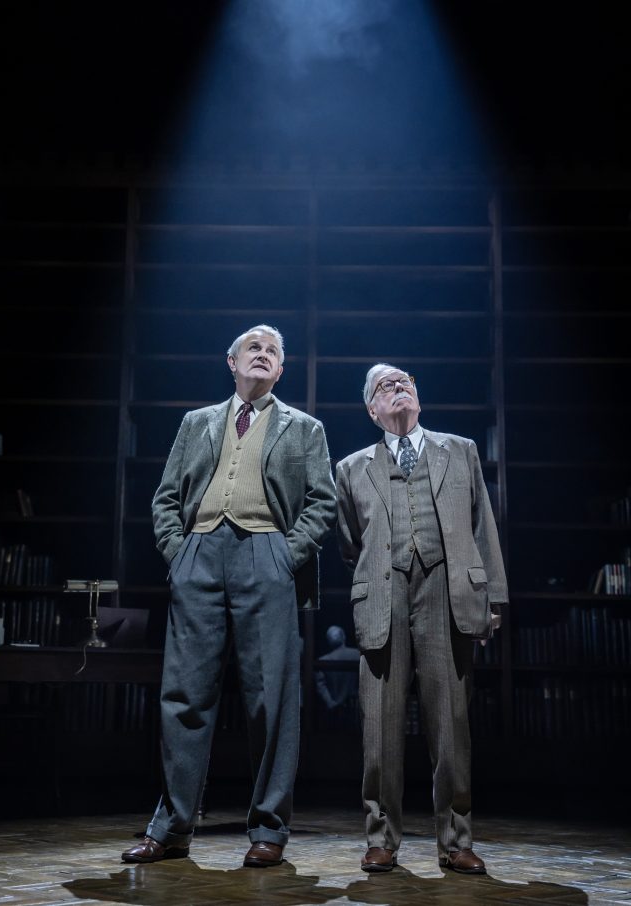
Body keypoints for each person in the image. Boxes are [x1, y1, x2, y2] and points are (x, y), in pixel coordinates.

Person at [122, 325, 336, 867]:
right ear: (232, 362)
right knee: (185, 695)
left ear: (281, 370)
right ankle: (172, 826)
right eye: (253, 349)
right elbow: (166, 496)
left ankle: (269, 829)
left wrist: (286, 556)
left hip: (267, 554)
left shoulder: (304, 428)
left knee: (272, 700)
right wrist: (179, 553)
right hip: (198, 554)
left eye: (272, 352)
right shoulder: (196, 422)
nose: (262, 355)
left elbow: (322, 502)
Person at [335, 363, 508, 875]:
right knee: (379, 729)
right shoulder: (351, 468)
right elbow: (350, 542)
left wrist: (492, 598)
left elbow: (483, 525)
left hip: (447, 593)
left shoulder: (461, 450)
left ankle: (456, 841)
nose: (398, 388)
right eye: (385, 385)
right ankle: (381, 839)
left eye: (405, 381)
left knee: (451, 725)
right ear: (372, 409)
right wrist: (381, 569)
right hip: (382, 596)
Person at [314, 625, 360, 728]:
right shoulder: (358, 655)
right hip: (355, 711)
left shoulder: (322, 661)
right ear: (344, 636)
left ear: (328, 641)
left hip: (332, 714)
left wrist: (330, 703)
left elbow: (321, 686)